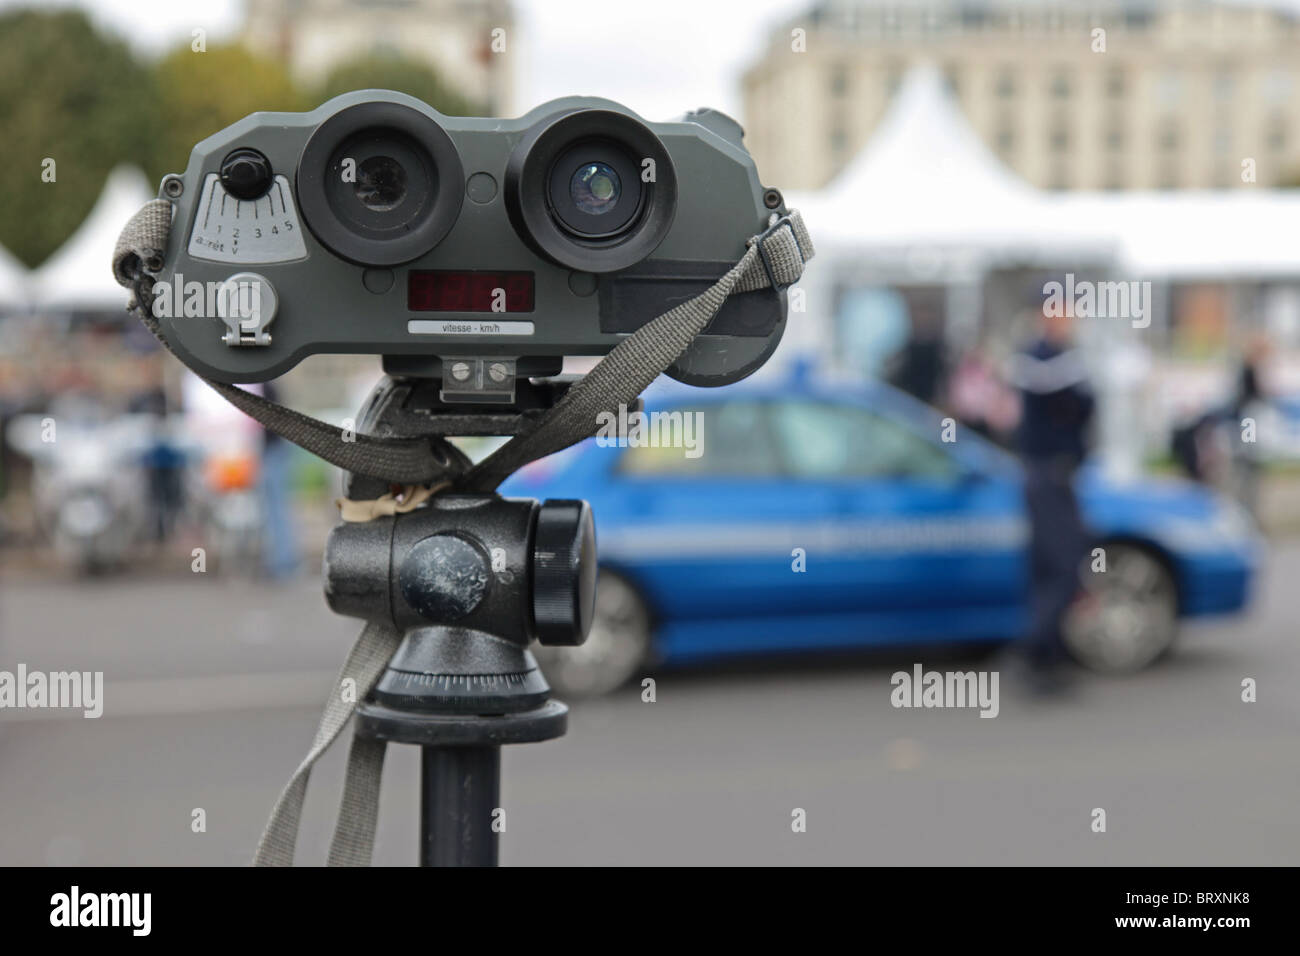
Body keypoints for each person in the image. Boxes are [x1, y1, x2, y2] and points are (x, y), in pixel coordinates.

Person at [1007, 309, 1095, 693]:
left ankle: (1051, 656)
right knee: (1061, 564)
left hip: (1053, 475)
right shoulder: (1043, 361)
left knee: (1052, 566)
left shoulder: (1055, 359)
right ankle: (1037, 652)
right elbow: (1075, 406)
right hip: (1050, 475)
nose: (1070, 318)